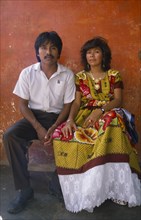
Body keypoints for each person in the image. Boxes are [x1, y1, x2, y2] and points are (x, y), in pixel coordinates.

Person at [52, 36, 141, 213]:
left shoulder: (113, 75)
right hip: (84, 115)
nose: (92, 56)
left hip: (109, 112)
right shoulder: (80, 77)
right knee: (62, 134)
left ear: (104, 55)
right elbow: (76, 103)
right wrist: (70, 120)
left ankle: (118, 189)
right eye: (88, 52)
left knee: (112, 123)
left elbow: (118, 100)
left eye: (96, 51)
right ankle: (86, 189)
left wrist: (100, 111)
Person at [3, 31, 76, 214]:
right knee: (11, 135)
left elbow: (68, 105)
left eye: (53, 48)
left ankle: (57, 183)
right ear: (37, 52)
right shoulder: (27, 73)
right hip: (33, 118)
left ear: (59, 52)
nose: (48, 52)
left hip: (57, 118)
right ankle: (24, 190)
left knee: (72, 138)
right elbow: (22, 105)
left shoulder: (67, 75)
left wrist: (52, 127)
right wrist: (38, 127)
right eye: (43, 47)